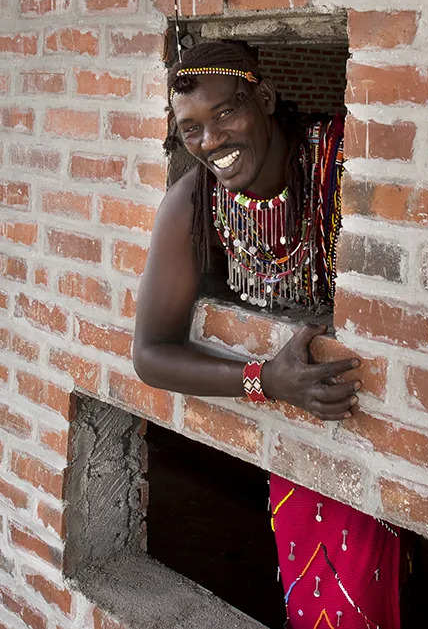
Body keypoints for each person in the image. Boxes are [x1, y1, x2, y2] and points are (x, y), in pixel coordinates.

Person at [133, 39, 402, 629]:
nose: (211, 143)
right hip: (310, 441)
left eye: (226, 112)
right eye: (190, 129)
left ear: (265, 97)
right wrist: (266, 382)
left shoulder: (344, 162)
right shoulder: (193, 202)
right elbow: (150, 354)